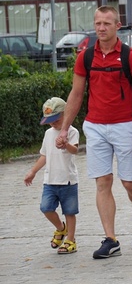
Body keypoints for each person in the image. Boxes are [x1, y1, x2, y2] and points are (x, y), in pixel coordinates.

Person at [56, 5, 132, 260]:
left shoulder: (131, 56)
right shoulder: (86, 57)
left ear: (117, 26)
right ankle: (110, 239)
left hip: (125, 126)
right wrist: (65, 128)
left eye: (107, 24)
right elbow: (76, 94)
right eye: (98, 23)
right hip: (95, 126)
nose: (101, 28)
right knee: (103, 182)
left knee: (130, 183)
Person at [24, 97, 80, 254]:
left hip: (68, 180)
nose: (52, 123)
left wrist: (66, 145)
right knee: (46, 208)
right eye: (49, 120)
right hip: (50, 181)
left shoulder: (72, 131)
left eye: (55, 119)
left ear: (65, 114)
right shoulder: (48, 134)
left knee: (70, 211)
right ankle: (61, 229)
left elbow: (75, 150)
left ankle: (71, 240)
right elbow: (44, 155)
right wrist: (33, 171)